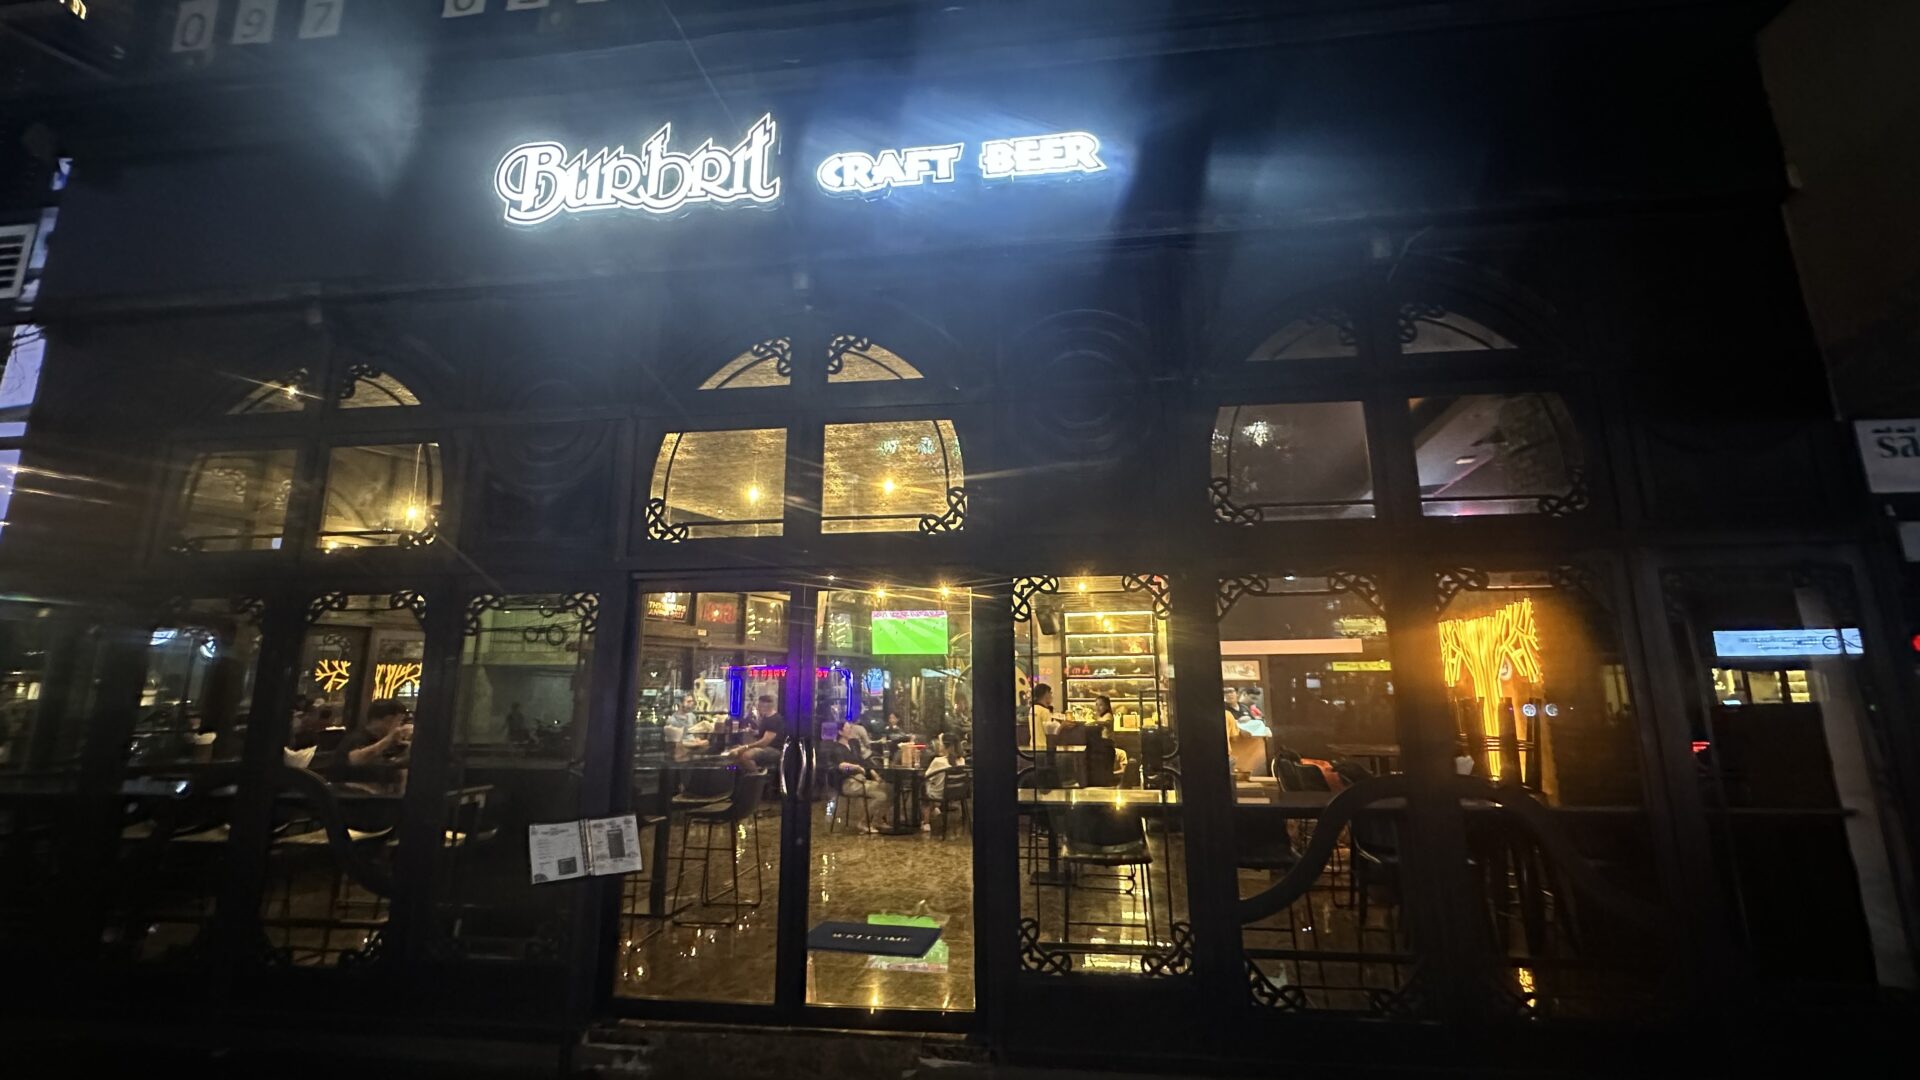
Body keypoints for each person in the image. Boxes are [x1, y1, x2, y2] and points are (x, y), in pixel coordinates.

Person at [327, 699, 413, 788]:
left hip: (380, 791)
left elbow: (398, 763)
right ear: (388, 720)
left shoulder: (383, 740)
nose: (400, 726)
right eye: (399, 721)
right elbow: (355, 760)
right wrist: (389, 738)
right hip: (348, 791)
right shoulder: (356, 738)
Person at [729, 693, 785, 770]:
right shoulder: (766, 718)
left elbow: (764, 742)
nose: (758, 708)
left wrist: (746, 747)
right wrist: (753, 732)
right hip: (766, 747)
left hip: (774, 749)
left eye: (759, 706)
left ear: (765, 706)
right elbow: (763, 734)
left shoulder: (774, 719)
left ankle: (757, 775)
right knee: (736, 752)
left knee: (746, 756)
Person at [923, 734, 965, 829]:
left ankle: (926, 823)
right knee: (934, 784)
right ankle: (935, 809)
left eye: (940, 743)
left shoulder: (938, 761)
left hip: (940, 793)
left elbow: (927, 776)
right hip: (956, 793)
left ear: (946, 746)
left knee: (923, 788)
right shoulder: (961, 760)